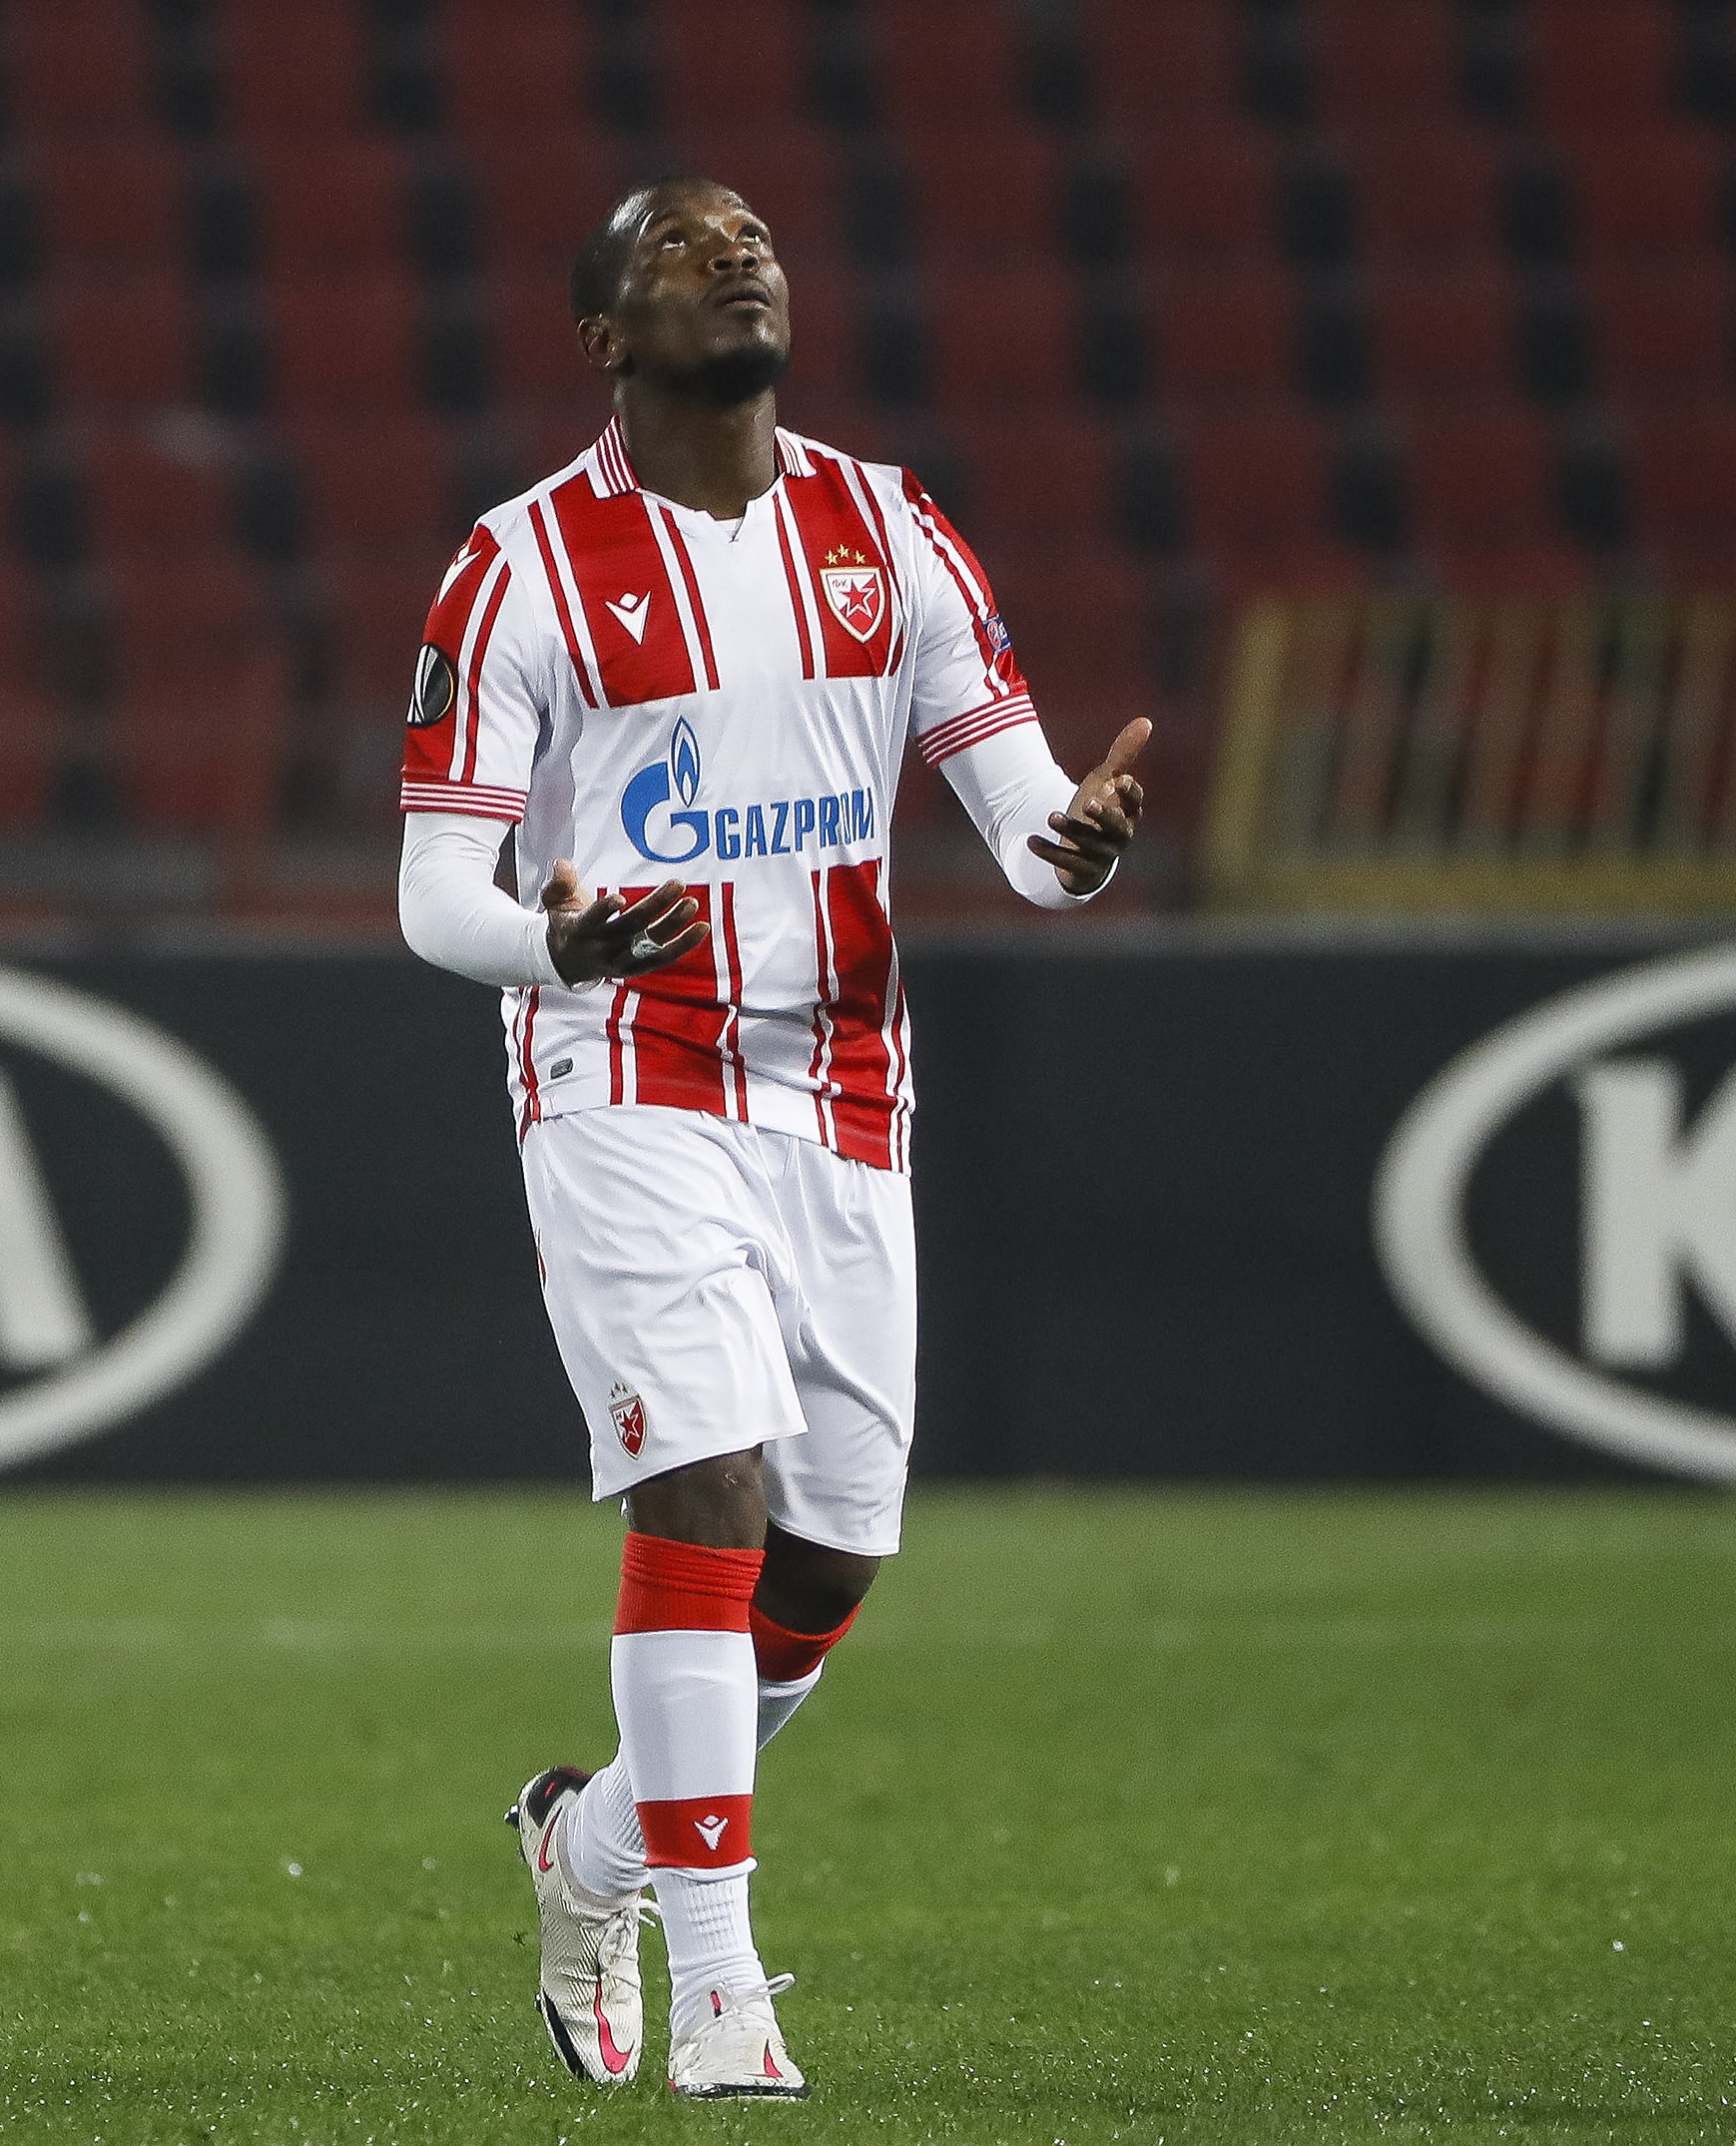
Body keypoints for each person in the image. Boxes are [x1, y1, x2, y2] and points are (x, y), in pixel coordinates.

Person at [394, 175, 1147, 2099]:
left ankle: (598, 1843)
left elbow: (1022, 818)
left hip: (844, 1090)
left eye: (750, 238)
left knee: (826, 1566)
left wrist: (1072, 850)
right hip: (624, 1068)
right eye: (678, 245)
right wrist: (552, 941)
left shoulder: (891, 531)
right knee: (705, 1499)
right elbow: (429, 894)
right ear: (605, 339)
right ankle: (728, 1988)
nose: (733, 255)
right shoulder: (521, 568)